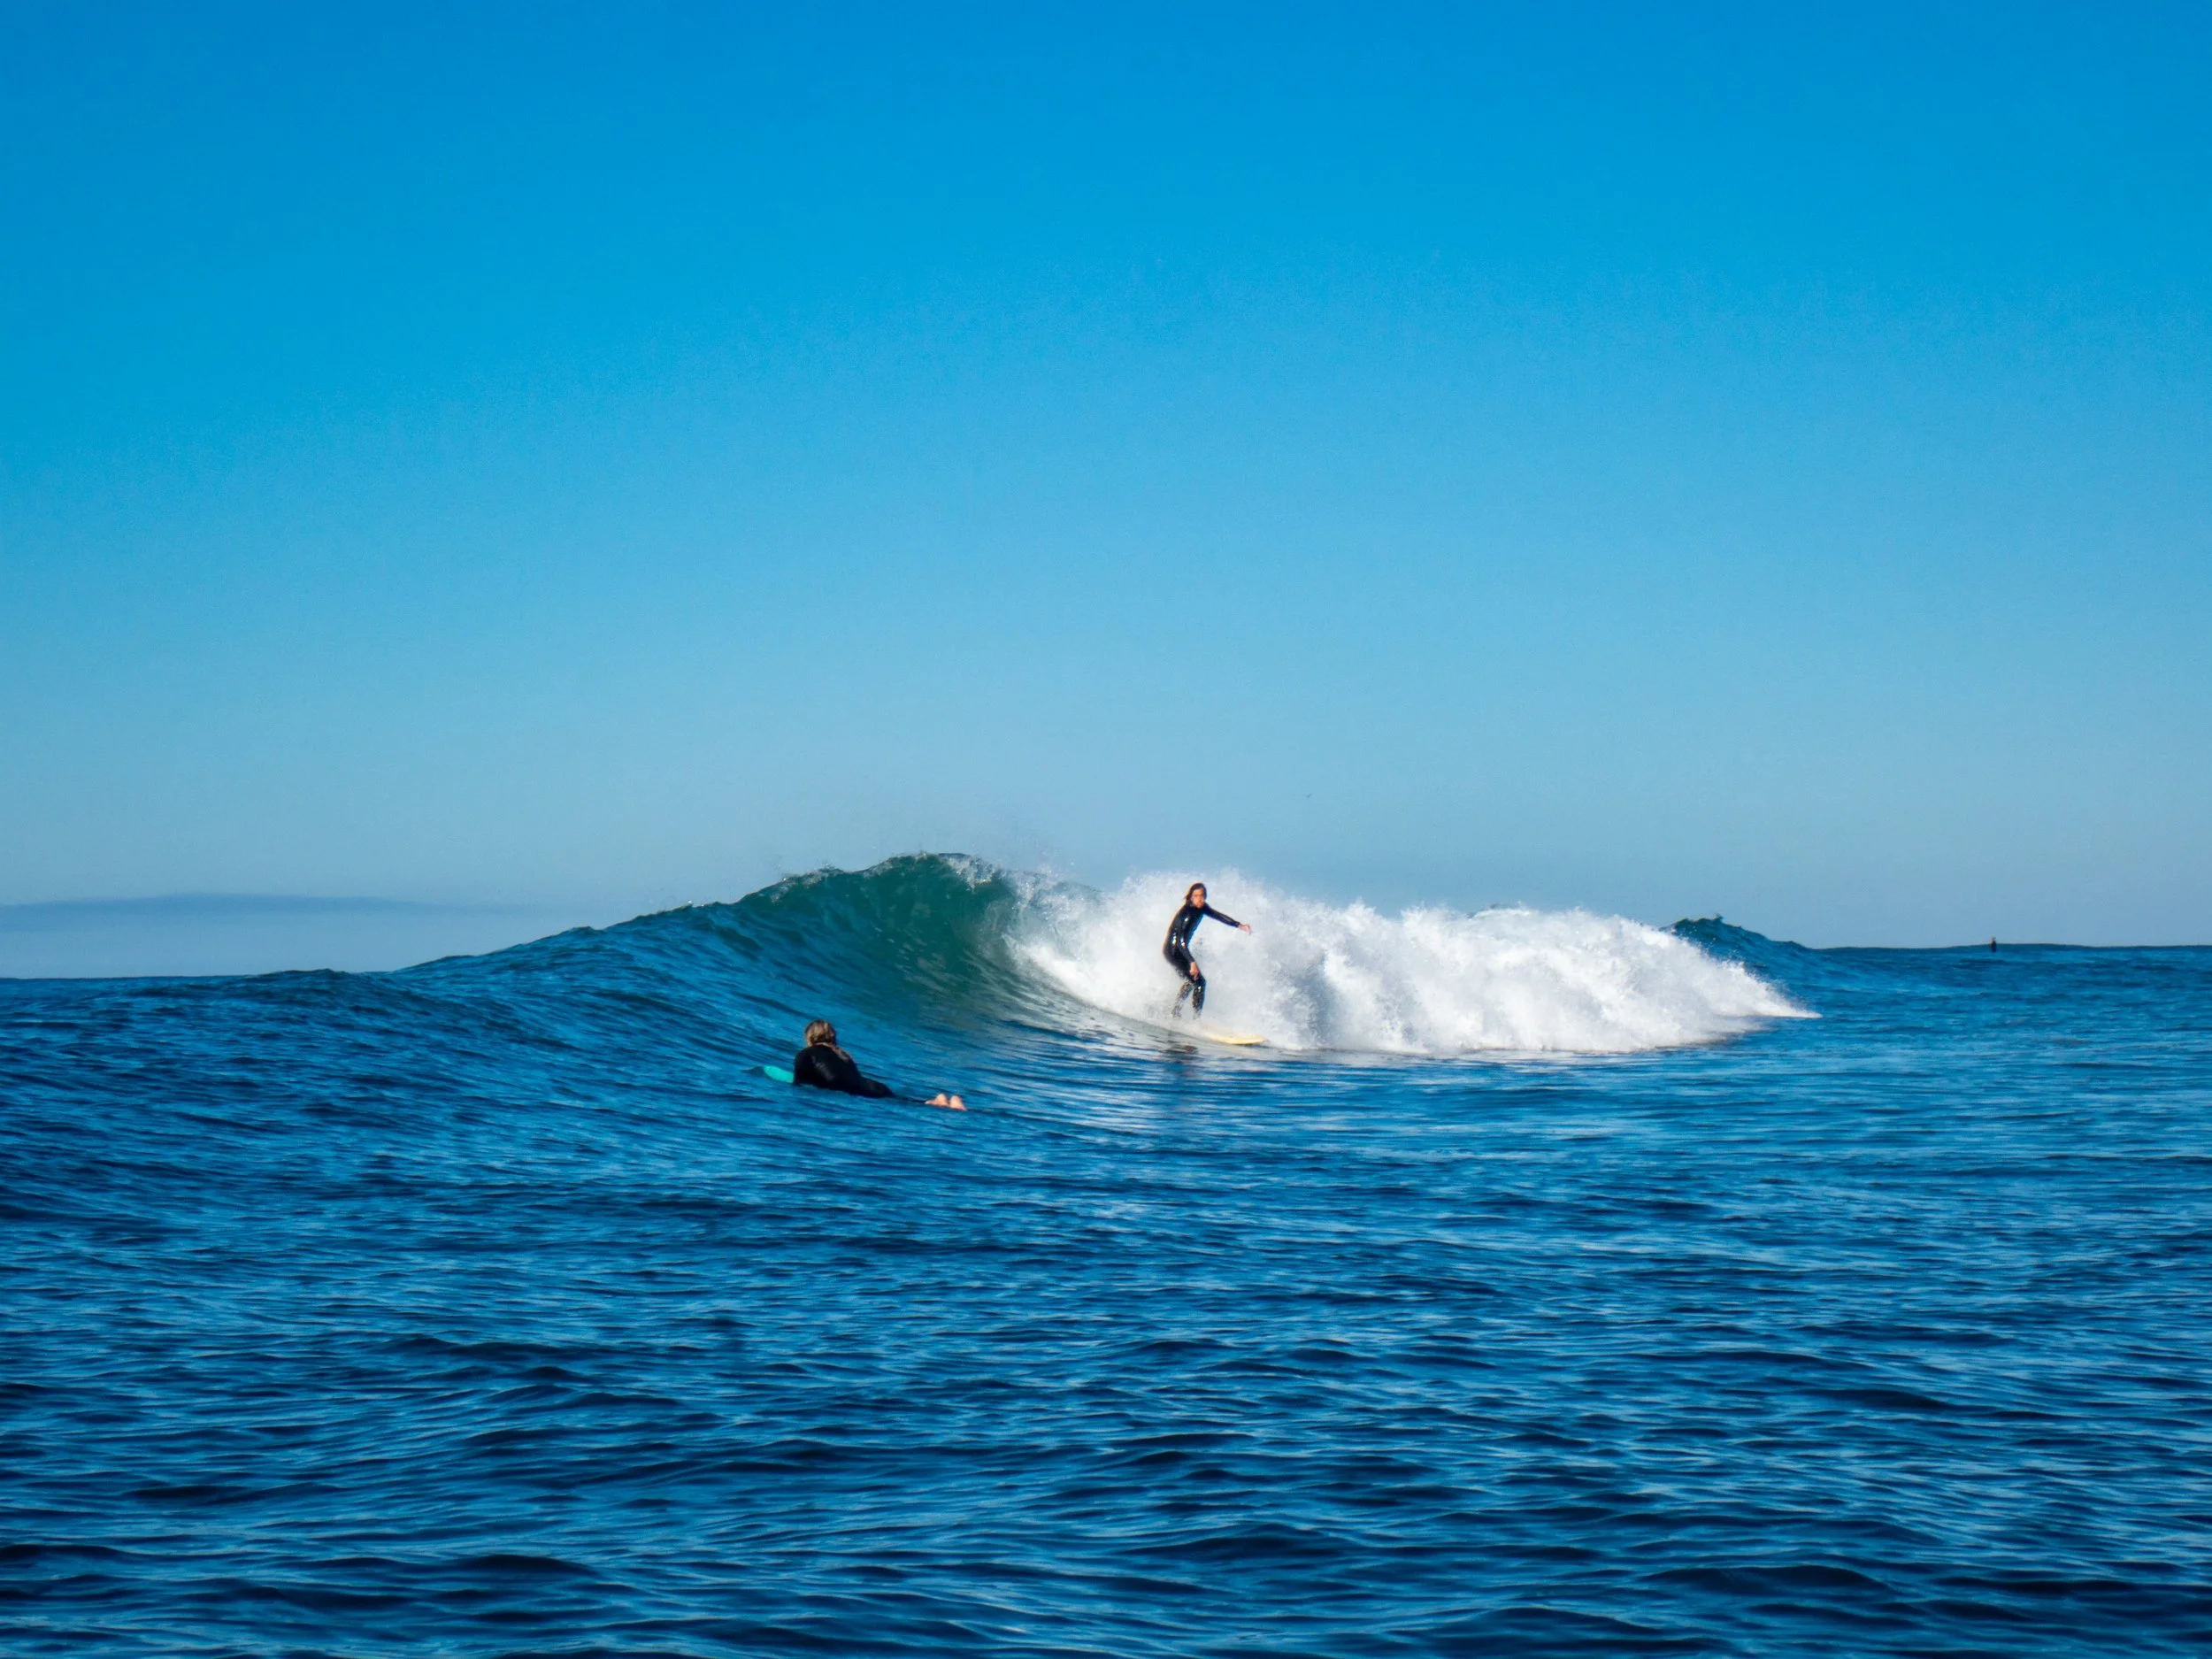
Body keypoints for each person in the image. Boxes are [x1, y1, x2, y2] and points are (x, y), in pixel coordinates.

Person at [790, 1019, 964, 1110]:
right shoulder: (842, 1054)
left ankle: (938, 1102)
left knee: (905, 1103)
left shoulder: (806, 1054)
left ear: (810, 1037)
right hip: (873, 1086)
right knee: (905, 1101)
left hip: (851, 1089)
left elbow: (799, 1083)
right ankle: (940, 1101)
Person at [1162, 881, 1251, 1017]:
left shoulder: (1202, 908)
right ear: (1191, 897)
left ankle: (1175, 1011)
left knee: (1192, 981)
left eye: (1202, 896)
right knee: (1199, 983)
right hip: (1173, 951)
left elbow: (1218, 915)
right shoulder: (1188, 913)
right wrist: (1192, 962)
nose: (1199, 899)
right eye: (1196, 896)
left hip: (1179, 950)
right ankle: (1195, 1020)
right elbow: (1181, 941)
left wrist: (1238, 925)